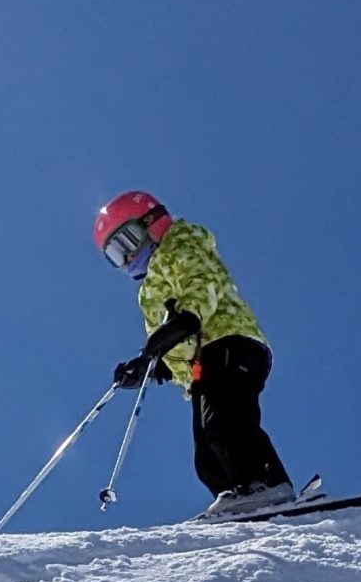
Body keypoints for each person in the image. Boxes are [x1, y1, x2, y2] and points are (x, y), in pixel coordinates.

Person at [93, 190, 298, 518]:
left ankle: (265, 484)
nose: (128, 257)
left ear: (151, 222)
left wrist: (182, 322)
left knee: (225, 421)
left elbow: (201, 285)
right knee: (206, 453)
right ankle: (238, 500)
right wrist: (153, 365)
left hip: (229, 341)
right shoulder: (149, 292)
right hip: (202, 365)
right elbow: (169, 343)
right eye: (116, 255)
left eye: (127, 241)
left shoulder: (181, 243)